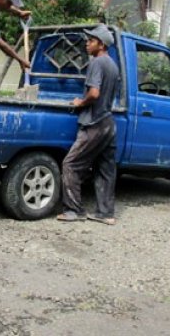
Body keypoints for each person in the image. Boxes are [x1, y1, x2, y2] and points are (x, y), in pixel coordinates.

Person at [57, 24, 120, 225]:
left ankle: (73, 211)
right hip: (108, 123)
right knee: (105, 169)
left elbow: (94, 93)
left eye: (91, 41)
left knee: (71, 164)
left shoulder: (97, 63)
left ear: (101, 45)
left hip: (94, 123)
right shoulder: (112, 64)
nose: (87, 43)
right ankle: (105, 213)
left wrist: (79, 103)